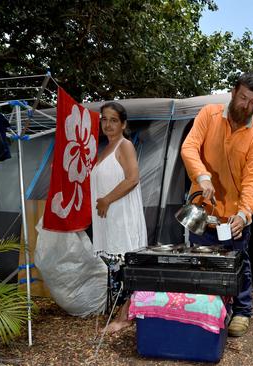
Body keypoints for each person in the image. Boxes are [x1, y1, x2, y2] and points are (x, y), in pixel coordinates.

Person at [180, 71, 253, 337]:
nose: (246, 106)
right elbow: (189, 148)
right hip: (204, 212)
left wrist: (244, 213)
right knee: (202, 262)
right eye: (243, 98)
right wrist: (202, 177)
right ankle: (208, 310)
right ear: (233, 92)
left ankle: (242, 311)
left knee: (239, 261)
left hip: (234, 216)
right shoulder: (208, 114)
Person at [90, 101, 147, 333]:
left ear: (123, 124)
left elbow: (133, 178)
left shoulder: (124, 146)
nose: (108, 124)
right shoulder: (105, 148)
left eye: (114, 120)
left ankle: (124, 317)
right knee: (116, 267)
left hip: (122, 215)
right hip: (109, 218)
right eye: (104, 119)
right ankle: (122, 312)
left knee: (124, 266)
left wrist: (107, 200)